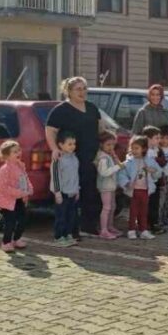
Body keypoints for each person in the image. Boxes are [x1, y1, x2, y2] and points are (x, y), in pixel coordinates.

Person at [45, 77, 107, 237]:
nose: (82, 92)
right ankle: (68, 229)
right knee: (70, 196)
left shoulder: (92, 108)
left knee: (90, 192)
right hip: (71, 159)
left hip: (91, 157)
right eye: (78, 89)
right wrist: (54, 149)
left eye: (84, 88)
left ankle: (88, 226)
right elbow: (50, 130)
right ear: (69, 91)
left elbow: (100, 129)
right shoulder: (61, 110)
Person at [0, 140, 32, 253]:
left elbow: (25, 179)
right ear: (6, 155)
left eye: (19, 150)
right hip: (6, 201)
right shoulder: (4, 170)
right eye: (14, 152)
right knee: (10, 221)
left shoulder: (20, 166)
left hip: (18, 199)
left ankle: (17, 238)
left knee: (23, 219)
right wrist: (20, 192)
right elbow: (4, 187)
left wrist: (29, 189)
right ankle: (6, 242)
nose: (18, 153)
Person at [50, 133, 81, 247]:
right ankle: (59, 237)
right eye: (69, 144)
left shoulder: (74, 158)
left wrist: (77, 189)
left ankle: (68, 234)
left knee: (71, 216)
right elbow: (55, 176)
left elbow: (76, 175)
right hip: (62, 193)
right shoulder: (58, 160)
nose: (72, 146)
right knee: (61, 216)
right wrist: (57, 192)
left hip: (72, 192)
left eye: (74, 144)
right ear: (61, 145)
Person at [119, 136, 152, 240]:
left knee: (144, 211)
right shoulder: (128, 162)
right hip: (134, 190)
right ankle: (131, 230)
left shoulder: (148, 161)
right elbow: (121, 174)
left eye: (137, 148)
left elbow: (157, 171)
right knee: (133, 211)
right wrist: (127, 183)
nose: (134, 151)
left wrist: (152, 170)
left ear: (144, 149)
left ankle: (143, 230)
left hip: (145, 190)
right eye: (132, 148)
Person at [95, 132, 124, 239]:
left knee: (113, 206)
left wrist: (115, 157)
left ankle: (110, 226)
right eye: (108, 145)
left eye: (113, 145)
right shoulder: (103, 158)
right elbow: (104, 172)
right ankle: (103, 230)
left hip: (111, 186)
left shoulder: (109, 156)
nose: (111, 147)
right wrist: (117, 167)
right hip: (105, 186)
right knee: (106, 208)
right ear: (101, 144)